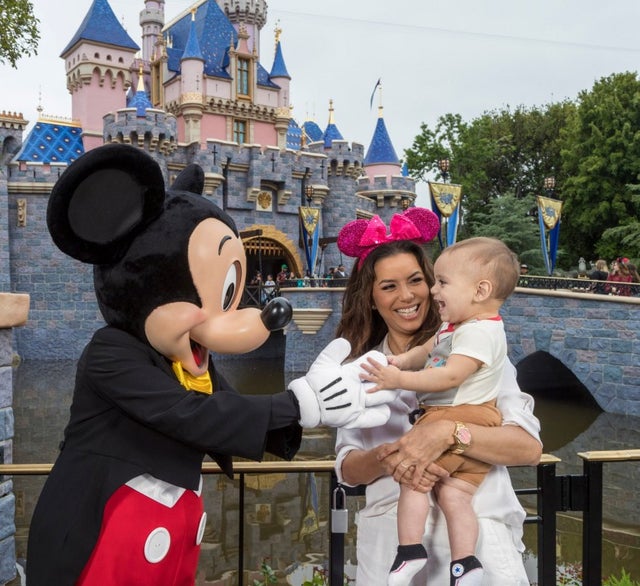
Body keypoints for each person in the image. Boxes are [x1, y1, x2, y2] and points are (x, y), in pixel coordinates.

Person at [333, 210, 542, 586]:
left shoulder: (479, 349)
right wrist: (394, 455)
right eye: (389, 286)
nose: (408, 295)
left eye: (416, 280)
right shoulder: (358, 370)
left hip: (479, 542)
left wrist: (450, 434)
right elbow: (347, 469)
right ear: (370, 297)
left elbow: (527, 449)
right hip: (390, 550)